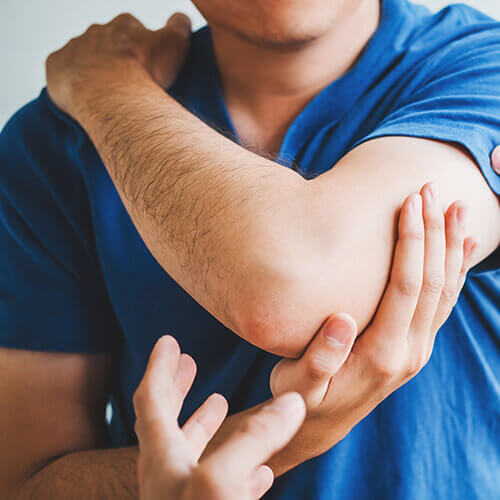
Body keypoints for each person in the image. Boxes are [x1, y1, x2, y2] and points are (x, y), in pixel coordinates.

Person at [0, 0, 499, 498]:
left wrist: (104, 88)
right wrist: (275, 442)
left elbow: (290, 289)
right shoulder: (47, 146)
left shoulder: (484, 66)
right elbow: (26, 482)